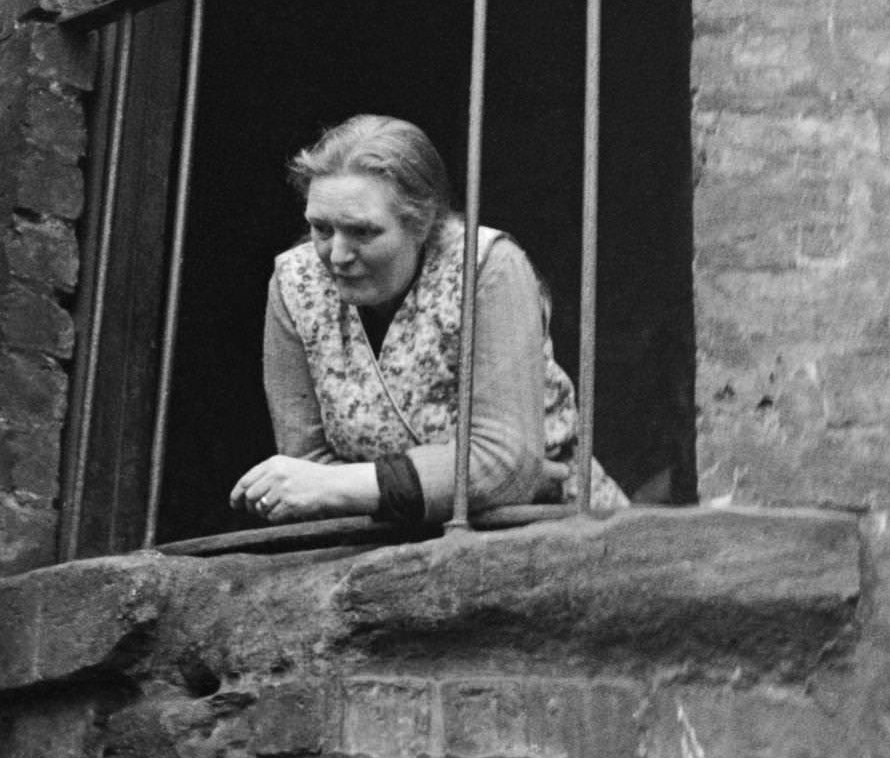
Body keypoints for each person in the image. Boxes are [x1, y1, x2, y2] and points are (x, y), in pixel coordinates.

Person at [230, 113, 628, 527]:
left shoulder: (486, 267)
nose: (337, 255)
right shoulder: (295, 283)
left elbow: (504, 465)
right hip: (379, 541)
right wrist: (463, 479)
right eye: (321, 228)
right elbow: (305, 470)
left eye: (363, 232)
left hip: (547, 527)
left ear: (421, 224)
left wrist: (350, 485)